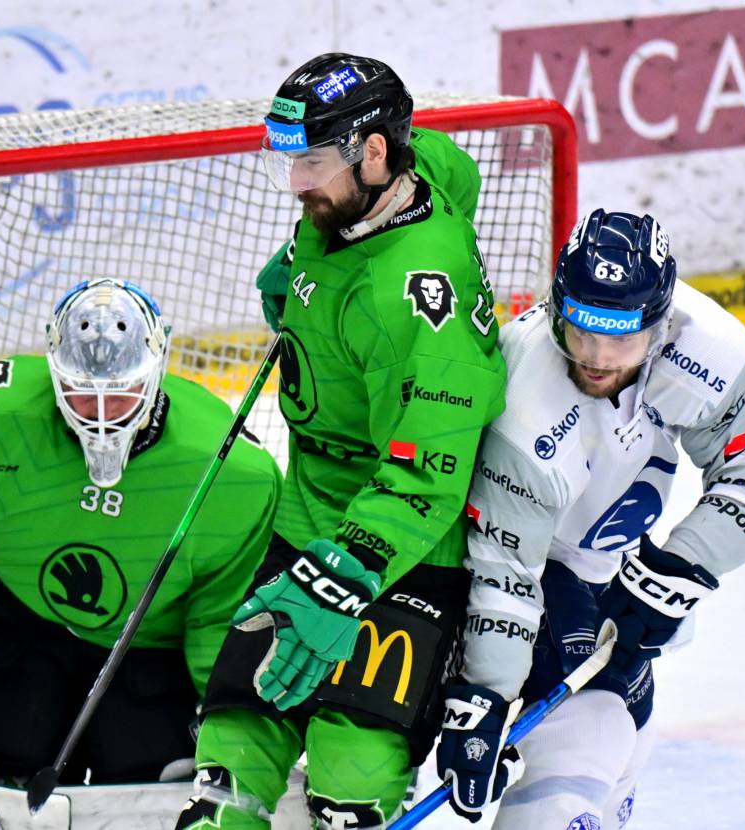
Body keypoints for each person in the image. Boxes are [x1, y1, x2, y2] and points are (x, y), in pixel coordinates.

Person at [176, 53, 506, 829]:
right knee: (231, 757)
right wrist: (301, 289)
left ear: (375, 152)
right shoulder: (393, 180)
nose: (298, 184)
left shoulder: (414, 309)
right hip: (308, 510)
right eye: (290, 161)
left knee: (350, 785)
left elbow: (426, 478)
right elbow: (455, 171)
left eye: (313, 164)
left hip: (403, 544)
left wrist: (343, 575)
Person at [0, 278, 280, 787]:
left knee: (165, 783)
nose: (101, 415)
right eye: (82, 394)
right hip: (11, 628)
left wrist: (234, 726)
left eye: (120, 394)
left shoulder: (236, 474)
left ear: (155, 372)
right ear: (54, 373)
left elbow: (222, 618)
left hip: (148, 651)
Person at [434, 210, 745, 828]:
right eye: (581, 332)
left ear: (661, 322)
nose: (596, 358)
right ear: (556, 308)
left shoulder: (709, 351)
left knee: (631, 737)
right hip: (530, 563)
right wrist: (484, 698)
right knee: (591, 731)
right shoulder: (525, 400)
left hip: (608, 560)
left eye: (621, 339)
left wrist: (679, 568)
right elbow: (505, 569)